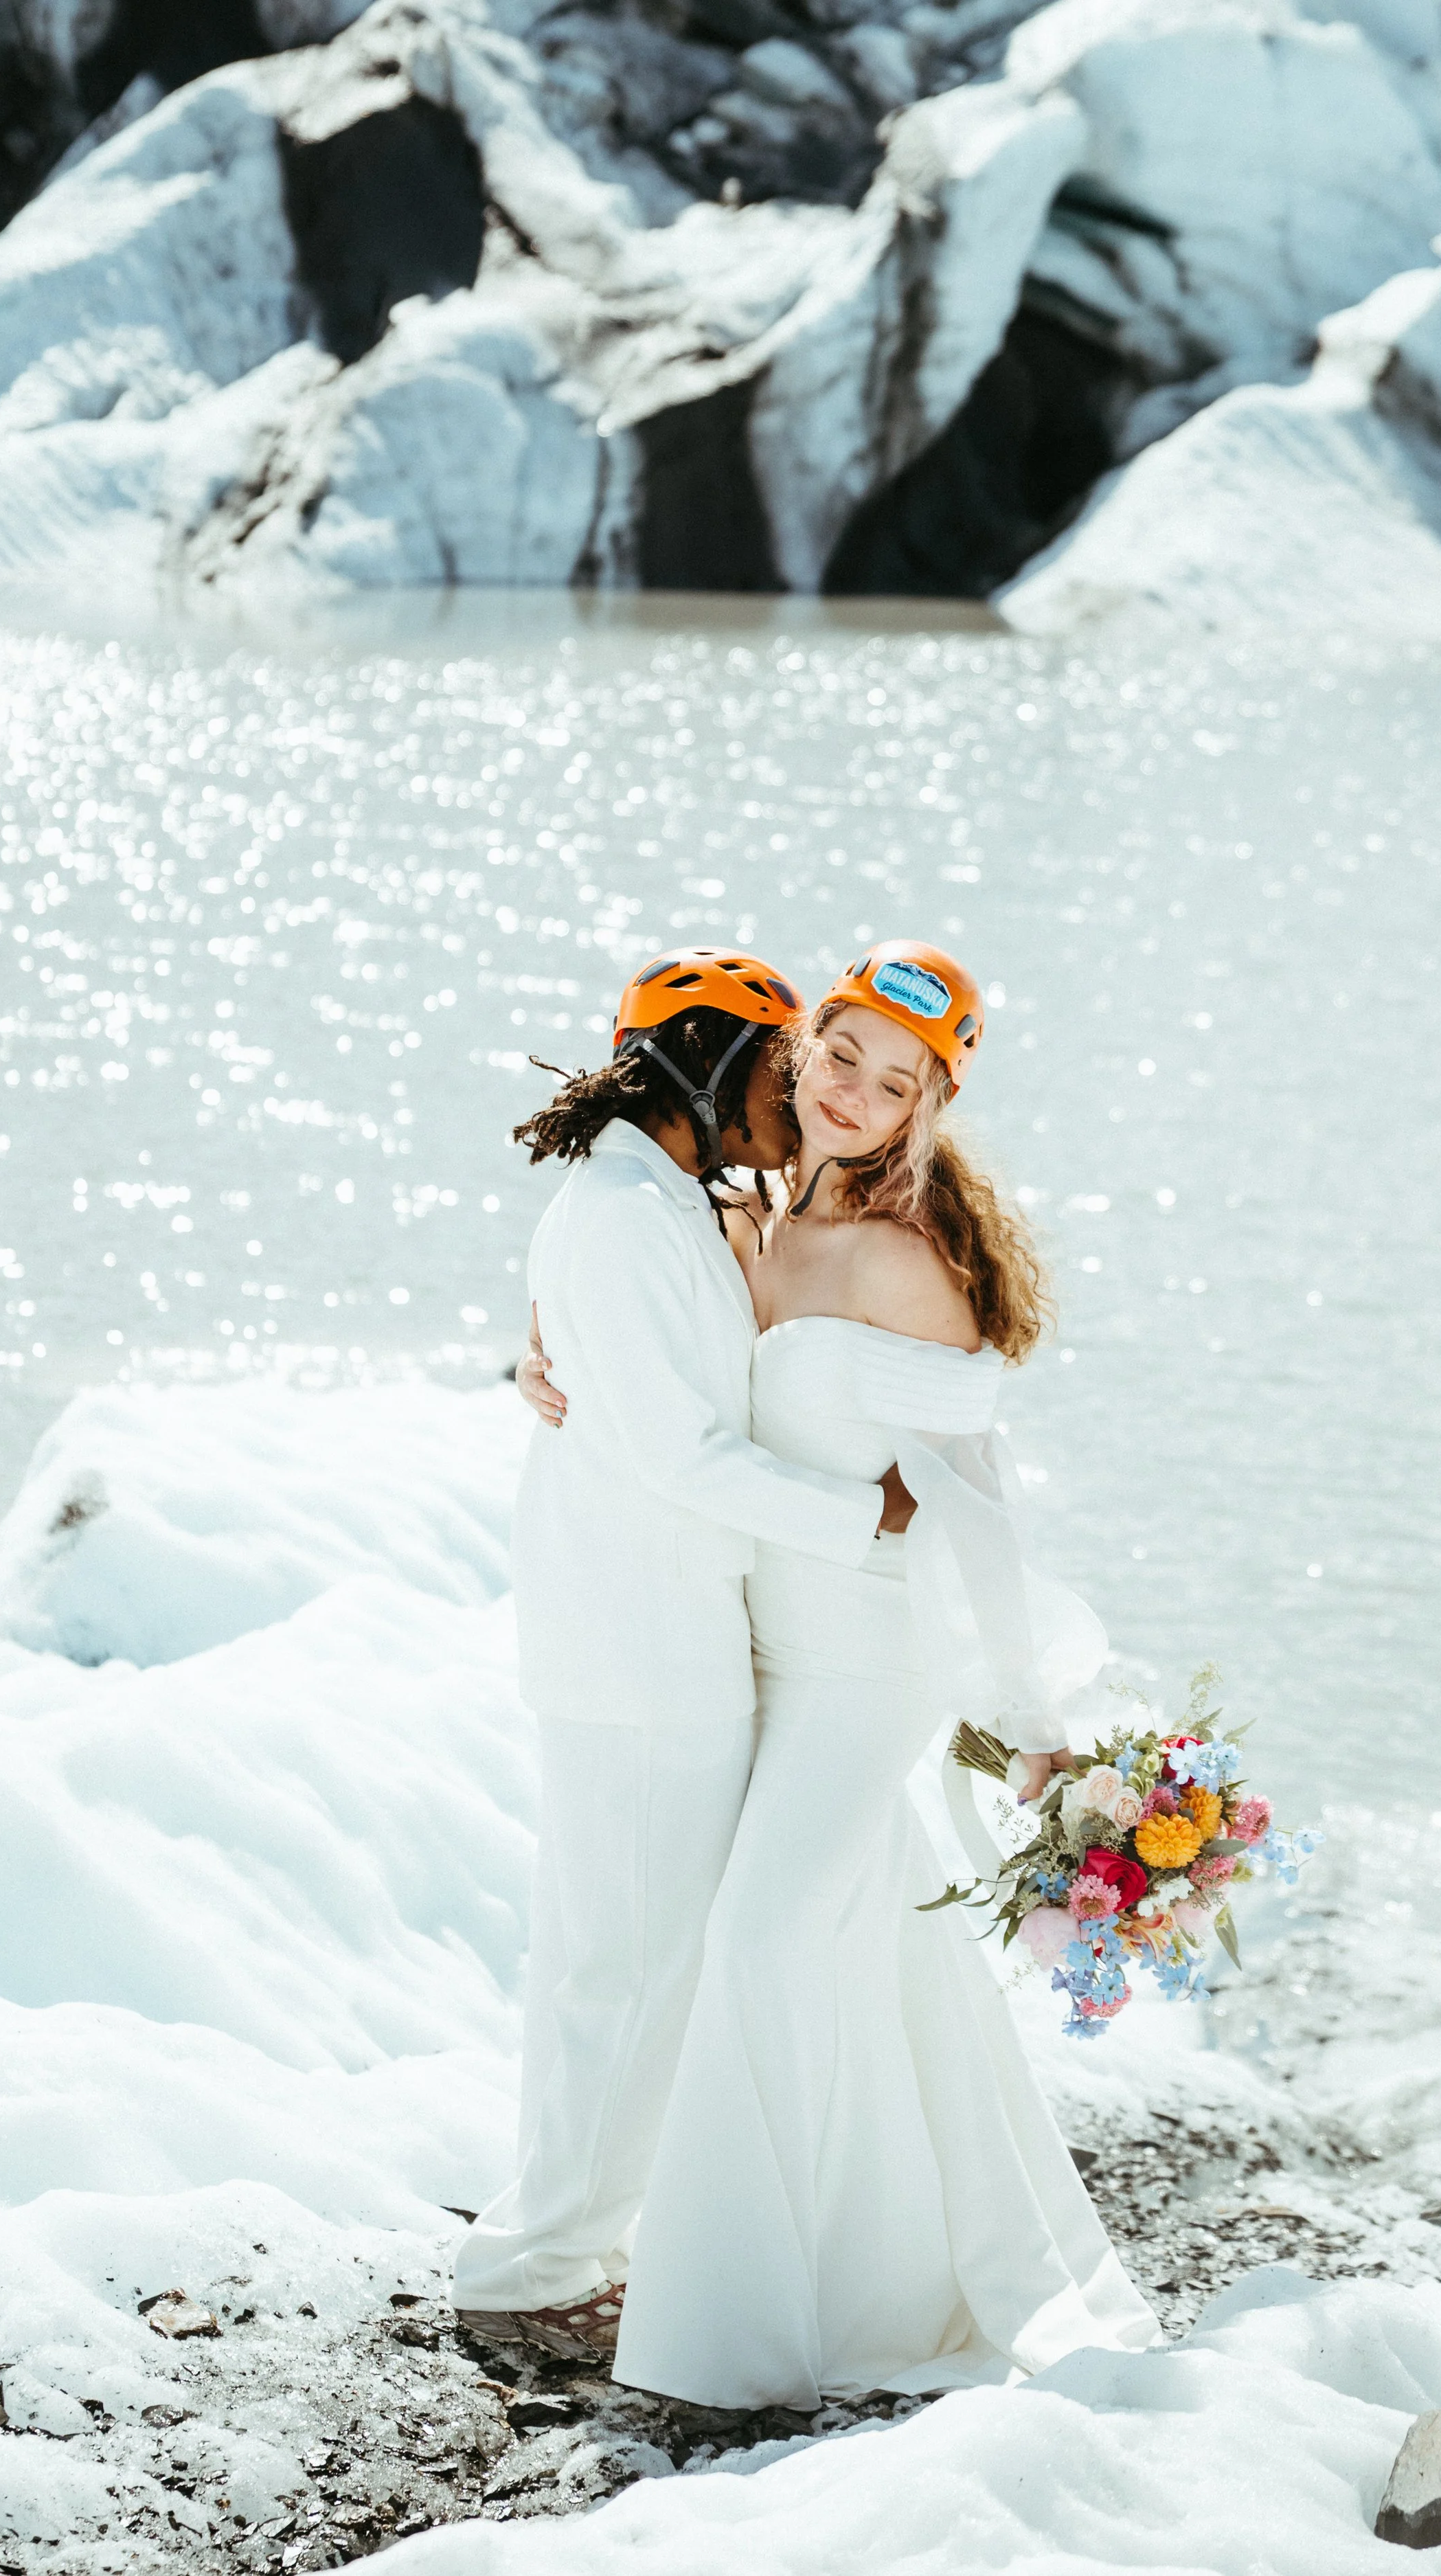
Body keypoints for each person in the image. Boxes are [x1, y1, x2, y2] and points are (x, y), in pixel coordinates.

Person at [523, 938, 1158, 2406]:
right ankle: (874, 2262)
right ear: (794, 1052)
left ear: (930, 1107)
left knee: (757, 1945)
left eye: (896, 1081)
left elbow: (978, 1504)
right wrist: (543, 1357)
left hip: (865, 1666)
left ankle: (730, 2329)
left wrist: (1030, 1720)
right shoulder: (741, 1224)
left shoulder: (903, 1258)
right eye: (840, 1055)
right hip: (752, 1648)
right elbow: (652, 1365)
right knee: (860, 1957)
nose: (854, 1094)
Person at [452, 949, 917, 2364]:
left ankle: (560, 2238)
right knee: (630, 1970)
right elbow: (680, 1453)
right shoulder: (622, 1218)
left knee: (622, 1957)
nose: (799, 1096)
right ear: (706, 1066)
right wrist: (870, 1518)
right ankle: (540, 2268)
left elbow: (654, 1385)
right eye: (781, 1069)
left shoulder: (664, 1202)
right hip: (640, 1638)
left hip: (653, 1628)